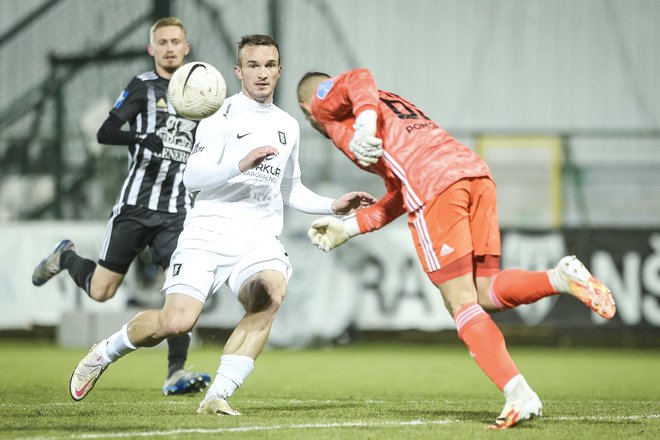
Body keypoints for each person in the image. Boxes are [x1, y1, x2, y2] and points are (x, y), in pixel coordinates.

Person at [67, 34, 376, 414]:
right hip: (208, 232)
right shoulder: (219, 114)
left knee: (269, 294)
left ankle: (219, 395)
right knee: (175, 323)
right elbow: (192, 177)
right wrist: (239, 164)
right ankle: (105, 352)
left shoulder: (287, 125)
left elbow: (290, 188)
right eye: (253, 65)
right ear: (238, 71)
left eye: (268, 65)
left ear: (279, 70)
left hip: (258, 238)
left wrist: (333, 205)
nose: (261, 74)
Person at [297, 68, 616, 429]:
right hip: (473, 173)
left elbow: (357, 77)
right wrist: (350, 227)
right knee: (483, 294)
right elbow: (400, 192)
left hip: (435, 186)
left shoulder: (326, 103)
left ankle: (518, 393)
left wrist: (366, 124)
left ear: (306, 110)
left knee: (459, 303)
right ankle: (559, 278)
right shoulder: (388, 110)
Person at [31, 17, 210, 396]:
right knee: (101, 291)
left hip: (177, 213)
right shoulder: (143, 87)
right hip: (134, 206)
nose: (169, 48)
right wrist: (141, 137)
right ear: (152, 49)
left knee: (181, 289)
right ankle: (66, 257)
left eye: (176, 41)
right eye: (162, 42)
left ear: (186, 47)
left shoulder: (202, 92)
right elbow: (105, 132)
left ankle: (175, 373)